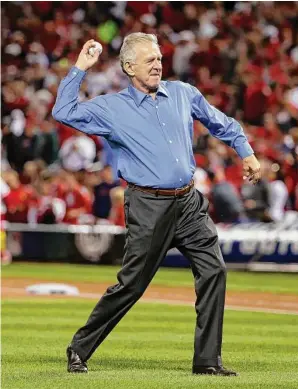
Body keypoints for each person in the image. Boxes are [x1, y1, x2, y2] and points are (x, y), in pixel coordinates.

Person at [52, 33, 261, 376]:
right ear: (129, 66)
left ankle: (207, 361)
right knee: (132, 284)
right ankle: (80, 347)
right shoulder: (112, 107)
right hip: (149, 205)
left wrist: (246, 152)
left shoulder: (182, 93)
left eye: (160, 59)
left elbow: (219, 121)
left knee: (214, 271)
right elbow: (63, 111)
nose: (158, 65)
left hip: (189, 203)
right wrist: (80, 68)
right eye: (150, 60)